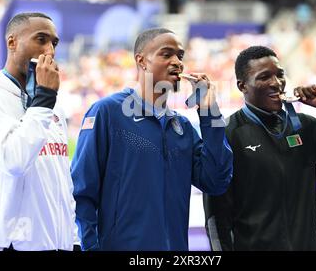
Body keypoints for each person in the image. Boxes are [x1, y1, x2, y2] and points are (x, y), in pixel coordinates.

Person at [203, 45, 316, 251]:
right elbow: (216, 216)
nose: (276, 83)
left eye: (280, 75)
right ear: (242, 86)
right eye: (264, 77)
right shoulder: (227, 135)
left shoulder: (306, 127)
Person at [71, 28, 233, 251]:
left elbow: (216, 181)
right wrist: (91, 247)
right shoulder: (107, 113)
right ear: (141, 61)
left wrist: (210, 113)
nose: (177, 62)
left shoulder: (182, 127)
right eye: (166, 54)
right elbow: (82, 191)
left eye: (180, 56)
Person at [0, 12, 78, 251]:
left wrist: (72, 239)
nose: (50, 50)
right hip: (5, 245)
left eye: (54, 43)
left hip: (56, 244)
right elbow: (15, 161)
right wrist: (44, 100)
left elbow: (61, 180)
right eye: (41, 39)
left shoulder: (51, 105)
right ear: (12, 42)